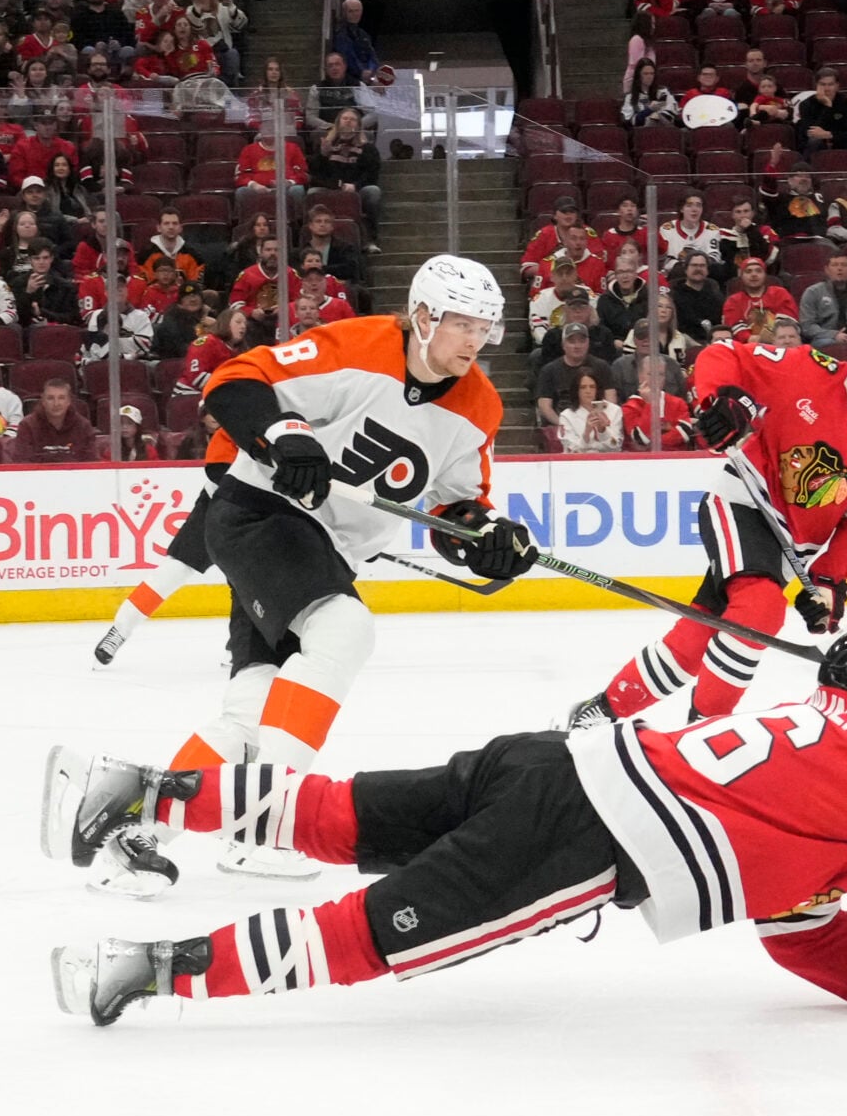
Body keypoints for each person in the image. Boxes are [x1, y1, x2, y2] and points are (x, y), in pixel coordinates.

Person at [44, 630, 847, 1027]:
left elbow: (792, 912)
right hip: (588, 840)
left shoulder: (808, 736)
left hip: (547, 762)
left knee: (343, 811)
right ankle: (146, 970)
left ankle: (135, 790)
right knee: (372, 934)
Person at [81, 257, 524, 898]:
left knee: (251, 712)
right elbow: (235, 381)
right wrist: (283, 434)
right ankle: (265, 826)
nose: (475, 340)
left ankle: (135, 828)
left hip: (321, 554)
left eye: (484, 328)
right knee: (344, 630)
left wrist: (487, 539)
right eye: (462, 324)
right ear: (424, 316)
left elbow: (456, 507)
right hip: (259, 514)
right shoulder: (360, 345)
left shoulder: (480, 406)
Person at [567, 321, 847, 729]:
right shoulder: (808, 369)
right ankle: (705, 732)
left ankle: (599, 712)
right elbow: (721, 355)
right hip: (743, 501)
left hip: (792, 549)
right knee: (761, 610)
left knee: (699, 634)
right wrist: (722, 400)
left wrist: (828, 581)